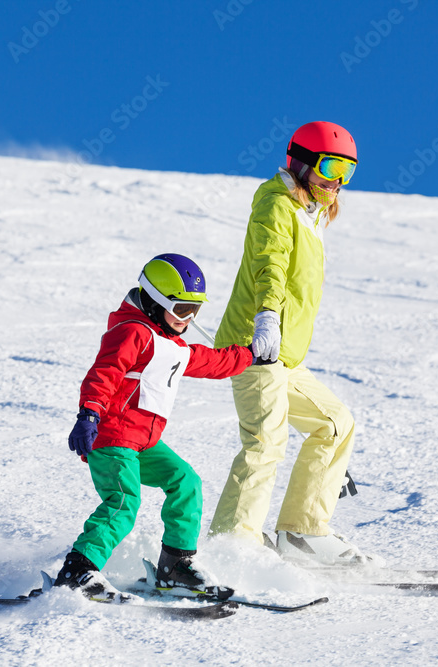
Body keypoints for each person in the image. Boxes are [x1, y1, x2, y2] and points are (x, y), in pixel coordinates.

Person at [208, 121, 382, 566]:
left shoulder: (310, 214)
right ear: (301, 163)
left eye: (348, 171)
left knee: (335, 424)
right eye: (330, 166)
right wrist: (266, 317)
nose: (337, 180)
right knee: (266, 439)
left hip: (284, 356)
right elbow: (271, 263)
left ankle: (302, 533)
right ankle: (234, 543)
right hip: (255, 345)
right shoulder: (276, 204)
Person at [54, 253, 255, 601]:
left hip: (143, 444)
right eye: (180, 310)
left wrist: (252, 354)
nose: (187, 320)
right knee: (123, 502)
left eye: (194, 312)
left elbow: (212, 361)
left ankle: (175, 566)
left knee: (186, 481)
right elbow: (104, 373)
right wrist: (88, 413)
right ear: (154, 300)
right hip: (112, 438)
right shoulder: (133, 333)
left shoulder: (171, 344)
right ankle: (78, 570)